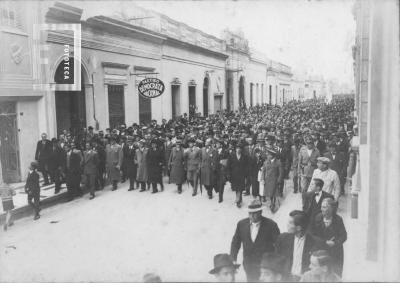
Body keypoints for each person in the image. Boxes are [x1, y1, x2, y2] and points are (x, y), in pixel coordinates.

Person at [230, 200, 280, 282]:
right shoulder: (241, 224)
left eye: (255, 213)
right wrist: (232, 258)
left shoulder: (271, 225)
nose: (252, 216)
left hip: (265, 267)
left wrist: (273, 263)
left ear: (260, 212)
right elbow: (235, 242)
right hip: (248, 265)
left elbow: (278, 245)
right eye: (250, 213)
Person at [275, 210, 322, 281]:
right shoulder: (282, 239)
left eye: (290, 223)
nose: (287, 224)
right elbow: (277, 260)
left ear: (299, 228)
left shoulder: (316, 243)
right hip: (286, 279)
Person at [309, 198, 347, 277]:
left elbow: (344, 236)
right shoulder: (317, 217)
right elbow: (312, 234)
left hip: (335, 252)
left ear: (331, 208)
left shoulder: (338, 220)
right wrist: (323, 242)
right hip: (320, 252)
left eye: (324, 207)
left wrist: (335, 243)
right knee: (319, 274)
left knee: (334, 274)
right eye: (321, 207)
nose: (321, 209)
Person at [227, 141, 249, 208]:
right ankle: (239, 199)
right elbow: (228, 166)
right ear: (235, 149)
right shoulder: (231, 156)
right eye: (237, 148)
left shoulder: (244, 157)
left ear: (241, 149)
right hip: (234, 175)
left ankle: (238, 201)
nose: (238, 149)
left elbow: (246, 166)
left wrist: (246, 175)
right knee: (237, 188)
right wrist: (228, 174)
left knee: (240, 188)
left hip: (242, 175)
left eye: (240, 148)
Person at [261, 147, 283, 212]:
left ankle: (273, 203)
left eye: (269, 155)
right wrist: (262, 179)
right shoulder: (265, 162)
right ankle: (271, 201)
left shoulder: (278, 162)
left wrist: (279, 180)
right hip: (267, 180)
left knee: (274, 193)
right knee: (269, 193)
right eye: (267, 154)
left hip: (274, 180)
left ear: (273, 155)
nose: (267, 156)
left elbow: (281, 173)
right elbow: (263, 171)